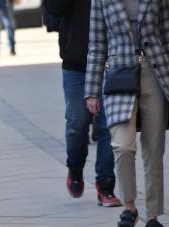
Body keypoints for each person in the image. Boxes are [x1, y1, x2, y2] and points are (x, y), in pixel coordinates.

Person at [85, 0, 169, 227]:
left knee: (154, 150)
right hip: (119, 75)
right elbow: (97, 43)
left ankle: (153, 218)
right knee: (122, 145)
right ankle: (129, 208)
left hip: (155, 72)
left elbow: (167, 35)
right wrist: (92, 90)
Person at [44, 0, 121, 207]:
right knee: (77, 123)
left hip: (110, 61)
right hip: (75, 63)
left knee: (109, 125)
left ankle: (105, 185)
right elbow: (53, 8)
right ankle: (75, 168)